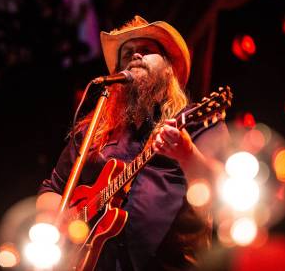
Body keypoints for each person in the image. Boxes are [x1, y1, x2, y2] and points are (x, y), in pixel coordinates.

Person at [36, 15, 230, 270]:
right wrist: (59, 226)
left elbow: (225, 187)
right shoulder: (94, 132)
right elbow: (52, 189)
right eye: (128, 53)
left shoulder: (192, 122)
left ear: (169, 67)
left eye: (147, 50)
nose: (136, 56)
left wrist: (187, 154)